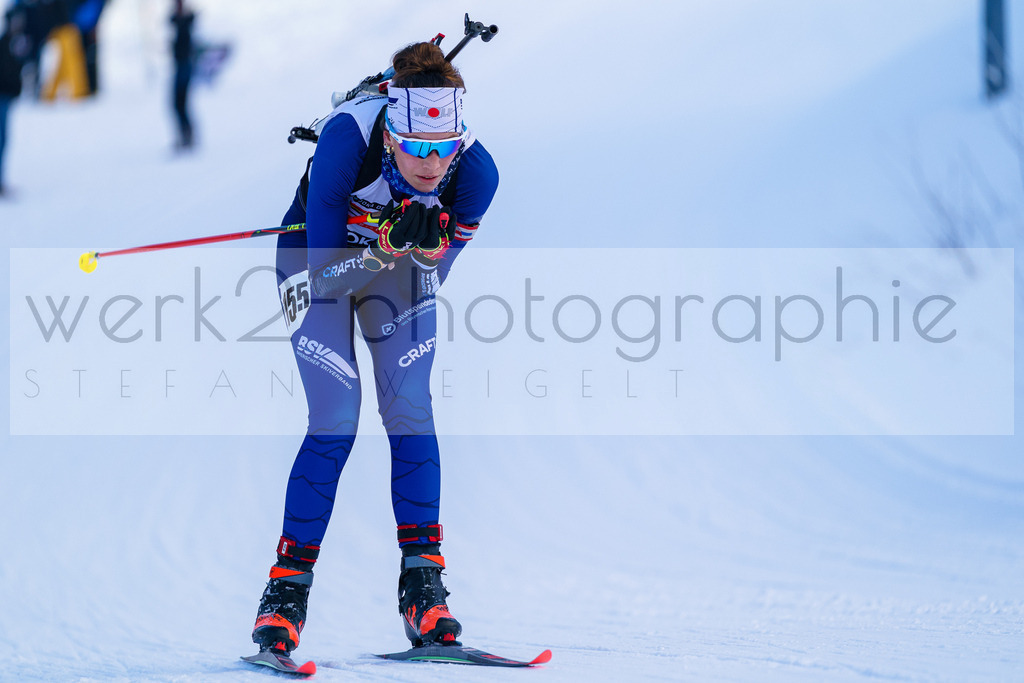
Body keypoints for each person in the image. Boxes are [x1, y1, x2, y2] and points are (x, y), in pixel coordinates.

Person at [252, 41, 498, 658]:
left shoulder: (478, 175)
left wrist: (422, 250)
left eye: (443, 149)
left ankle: (425, 589)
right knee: (335, 417)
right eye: (417, 149)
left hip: (392, 272)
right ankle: (284, 595)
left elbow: (432, 277)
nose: (431, 166)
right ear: (390, 135)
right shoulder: (345, 141)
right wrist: (387, 247)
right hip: (309, 262)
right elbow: (326, 279)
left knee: (410, 407)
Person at [1, 7, 28, 196]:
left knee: (3, 140)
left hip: (8, 97)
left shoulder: (18, 43)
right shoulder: (4, 44)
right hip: (2, 96)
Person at [169, 0, 194, 150]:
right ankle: (185, 135)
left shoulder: (186, 22)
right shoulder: (179, 21)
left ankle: (187, 136)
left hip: (184, 66)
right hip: (180, 66)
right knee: (179, 104)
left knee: (180, 104)